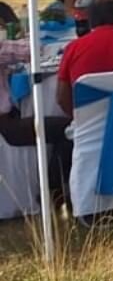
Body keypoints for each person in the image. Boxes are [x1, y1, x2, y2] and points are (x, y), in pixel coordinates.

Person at [0, 27, 72, 197]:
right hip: (5, 124)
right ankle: (52, 193)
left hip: (8, 117)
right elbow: (32, 49)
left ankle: (53, 192)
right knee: (69, 130)